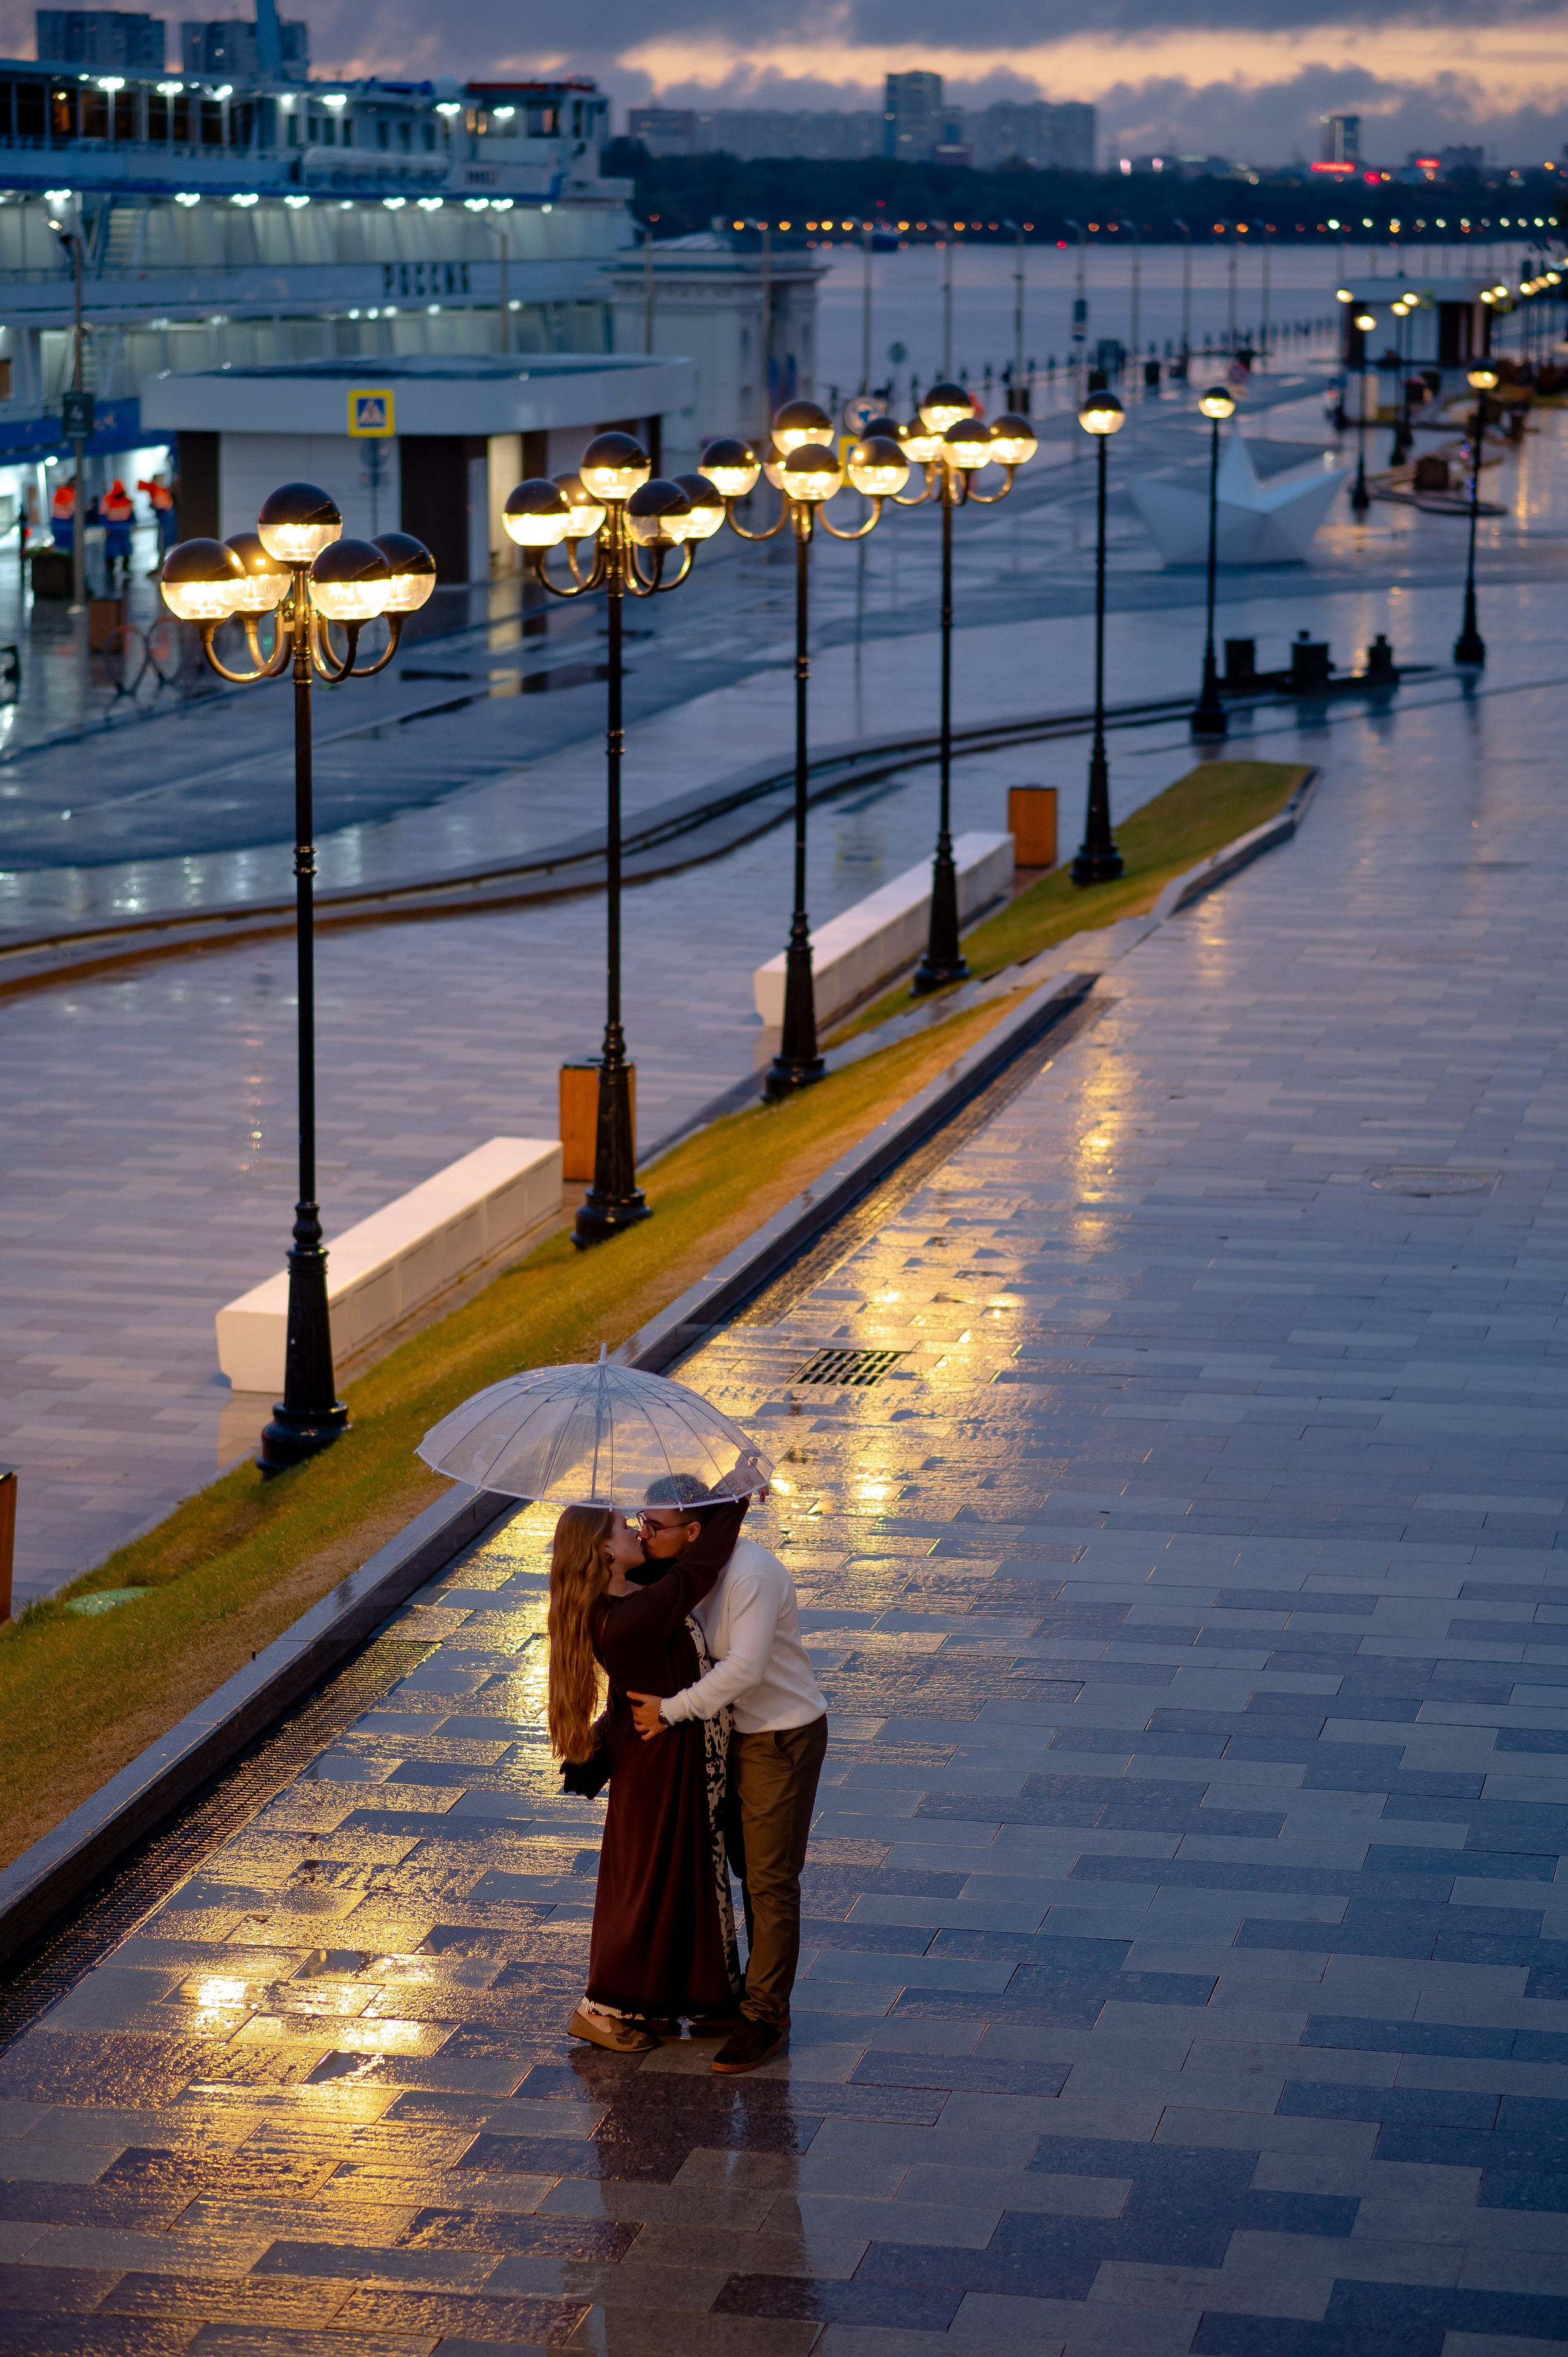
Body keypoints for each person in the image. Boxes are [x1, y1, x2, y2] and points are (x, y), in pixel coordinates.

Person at [630, 1473, 828, 2076]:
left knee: (769, 1878)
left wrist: (671, 1710)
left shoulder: (750, 1574)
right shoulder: (686, 1569)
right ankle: (753, 1990)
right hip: (731, 1735)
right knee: (743, 1866)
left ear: (694, 1531)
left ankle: (765, 2015)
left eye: (654, 1525)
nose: (643, 1534)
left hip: (779, 1735)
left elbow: (744, 1669)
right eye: (640, 1522)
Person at [547, 1496, 747, 2056]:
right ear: (605, 1550)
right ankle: (599, 2010)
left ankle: (688, 1996)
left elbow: (679, 1562)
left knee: (682, 1876)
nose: (638, 1530)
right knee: (650, 1885)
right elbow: (696, 1570)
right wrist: (735, 1499)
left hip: (667, 1758)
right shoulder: (629, 1617)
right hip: (661, 1768)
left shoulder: (627, 1598)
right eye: (624, 1526)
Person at [103, 478, 134, 586]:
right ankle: (111, 569)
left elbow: (132, 514)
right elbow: (103, 514)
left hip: (123, 528)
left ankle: (125, 568)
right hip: (114, 528)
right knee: (112, 550)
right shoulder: (109, 499)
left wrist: (132, 525)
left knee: (126, 549)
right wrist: (107, 527)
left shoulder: (126, 500)